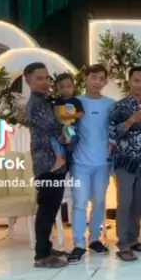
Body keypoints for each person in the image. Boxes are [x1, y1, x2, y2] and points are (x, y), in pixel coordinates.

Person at [68, 64, 115, 264]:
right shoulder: (76, 102)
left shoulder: (111, 104)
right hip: (80, 163)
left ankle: (94, 239)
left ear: (105, 82)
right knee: (79, 203)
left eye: (101, 78)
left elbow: (115, 131)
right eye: (93, 77)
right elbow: (68, 128)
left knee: (100, 202)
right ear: (86, 78)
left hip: (103, 163)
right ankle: (79, 243)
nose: (97, 82)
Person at [24, 62, 69, 269]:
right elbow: (56, 125)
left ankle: (46, 248)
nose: (45, 82)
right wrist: (70, 127)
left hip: (55, 162)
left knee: (51, 207)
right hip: (47, 163)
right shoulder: (37, 104)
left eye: (46, 78)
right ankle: (41, 256)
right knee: (47, 209)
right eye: (39, 78)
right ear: (28, 80)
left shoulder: (45, 100)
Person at [108, 66, 141, 262]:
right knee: (125, 202)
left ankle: (134, 239)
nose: (140, 85)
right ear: (130, 82)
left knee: (139, 204)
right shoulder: (120, 106)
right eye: (136, 80)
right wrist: (131, 120)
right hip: (125, 162)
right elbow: (112, 133)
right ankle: (123, 243)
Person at [50, 72, 85, 171]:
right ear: (58, 89)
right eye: (62, 87)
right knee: (52, 138)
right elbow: (55, 115)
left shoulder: (76, 101)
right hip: (61, 128)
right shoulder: (58, 101)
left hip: (73, 127)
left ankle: (68, 139)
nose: (65, 89)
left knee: (68, 128)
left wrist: (71, 115)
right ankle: (59, 157)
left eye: (68, 87)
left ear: (73, 87)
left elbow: (82, 113)